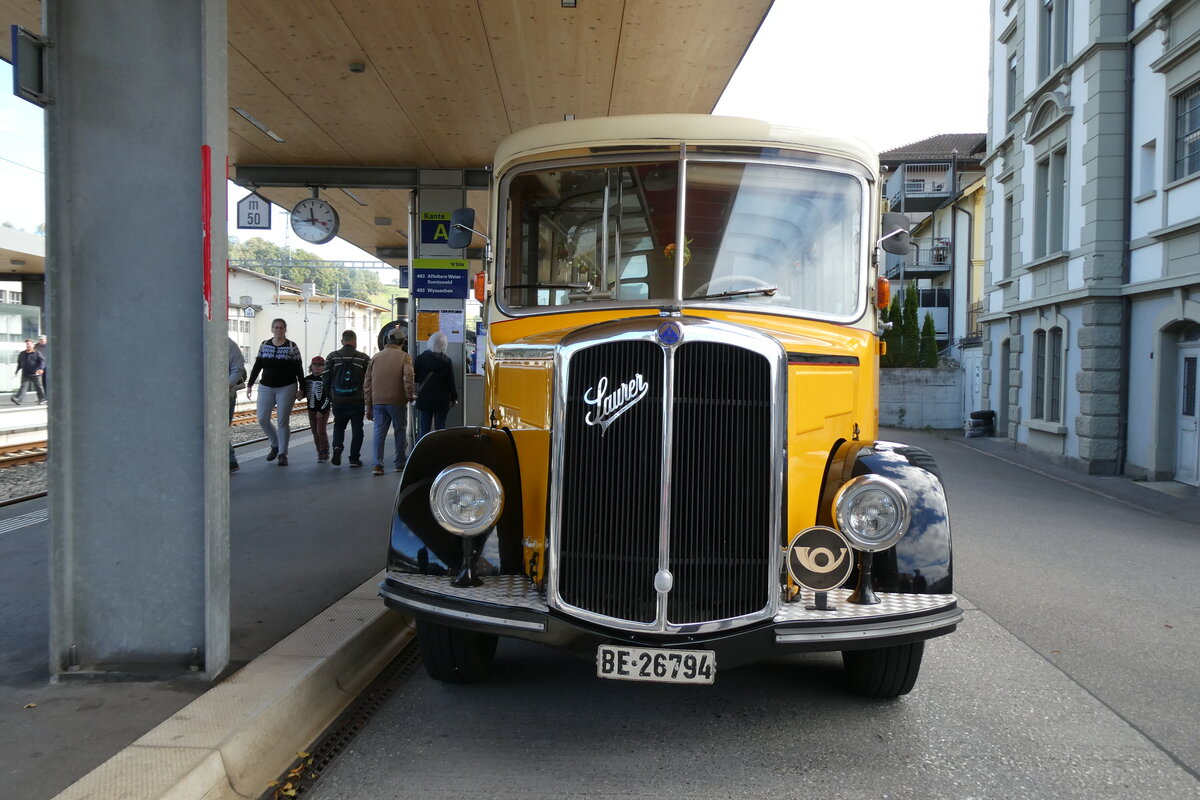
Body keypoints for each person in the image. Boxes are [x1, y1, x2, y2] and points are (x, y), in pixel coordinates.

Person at [246, 318, 305, 467]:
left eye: (282, 328)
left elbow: (299, 369)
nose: (279, 330)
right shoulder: (264, 345)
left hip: (287, 386)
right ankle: (275, 444)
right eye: (276, 328)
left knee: (282, 421)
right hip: (266, 386)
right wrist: (250, 384)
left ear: (285, 330)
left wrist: (302, 388)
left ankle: (282, 453)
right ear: (272, 329)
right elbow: (258, 365)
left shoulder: (292, 347)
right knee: (262, 418)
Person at [364, 329, 415, 475]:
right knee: (399, 430)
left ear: (386, 340)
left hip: (378, 401)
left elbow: (367, 383)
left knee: (379, 432)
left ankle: (377, 465)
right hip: (397, 401)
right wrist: (410, 395)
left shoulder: (376, 357)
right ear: (403, 342)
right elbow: (408, 377)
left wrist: (368, 405)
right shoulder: (405, 357)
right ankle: (399, 463)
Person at [322, 329, 370, 468]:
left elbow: (325, 377)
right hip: (356, 400)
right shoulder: (363, 358)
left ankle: (337, 447)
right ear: (355, 342)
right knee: (357, 429)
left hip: (339, 399)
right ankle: (354, 458)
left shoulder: (332, 357)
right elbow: (369, 379)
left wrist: (329, 395)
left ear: (342, 341)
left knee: (339, 426)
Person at [413, 331, 458, 439]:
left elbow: (415, 378)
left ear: (430, 343)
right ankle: (439, 453)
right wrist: (454, 398)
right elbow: (451, 382)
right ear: (444, 345)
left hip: (424, 399)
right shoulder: (447, 361)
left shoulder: (420, 358)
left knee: (424, 429)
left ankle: (422, 453)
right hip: (441, 400)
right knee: (440, 430)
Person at [304, 355, 332, 462]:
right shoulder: (307, 379)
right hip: (311, 409)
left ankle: (325, 451)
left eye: (320, 365)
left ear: (323, 367)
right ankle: (319, 452)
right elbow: (303, 393)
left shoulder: (326, 379)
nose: (317, 367)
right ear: (311, 366)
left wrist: (321, 410)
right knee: (315, 432)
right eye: (315, 365)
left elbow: (328, 397)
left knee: (320, 430)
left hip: (323, 410)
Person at [227, 337, 247, 472]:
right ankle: (230, 460)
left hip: (225, 395)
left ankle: (231, 459)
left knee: (218, 429)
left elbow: (238, 369)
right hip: (204, 395)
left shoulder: (230, 346)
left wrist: (226, 385)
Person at [12, 338, 45, 405]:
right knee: (23, 386)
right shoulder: (22, 353)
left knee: (38, 386)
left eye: (29, 344)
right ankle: (18, 399)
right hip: (25, 373)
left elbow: (42, 361)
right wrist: (17, 371)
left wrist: (41, 369)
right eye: (27, 344)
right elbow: (19, 363)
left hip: (35, 373)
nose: (28, 345)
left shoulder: (37, 353)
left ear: (33, 345)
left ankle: (41, 399)